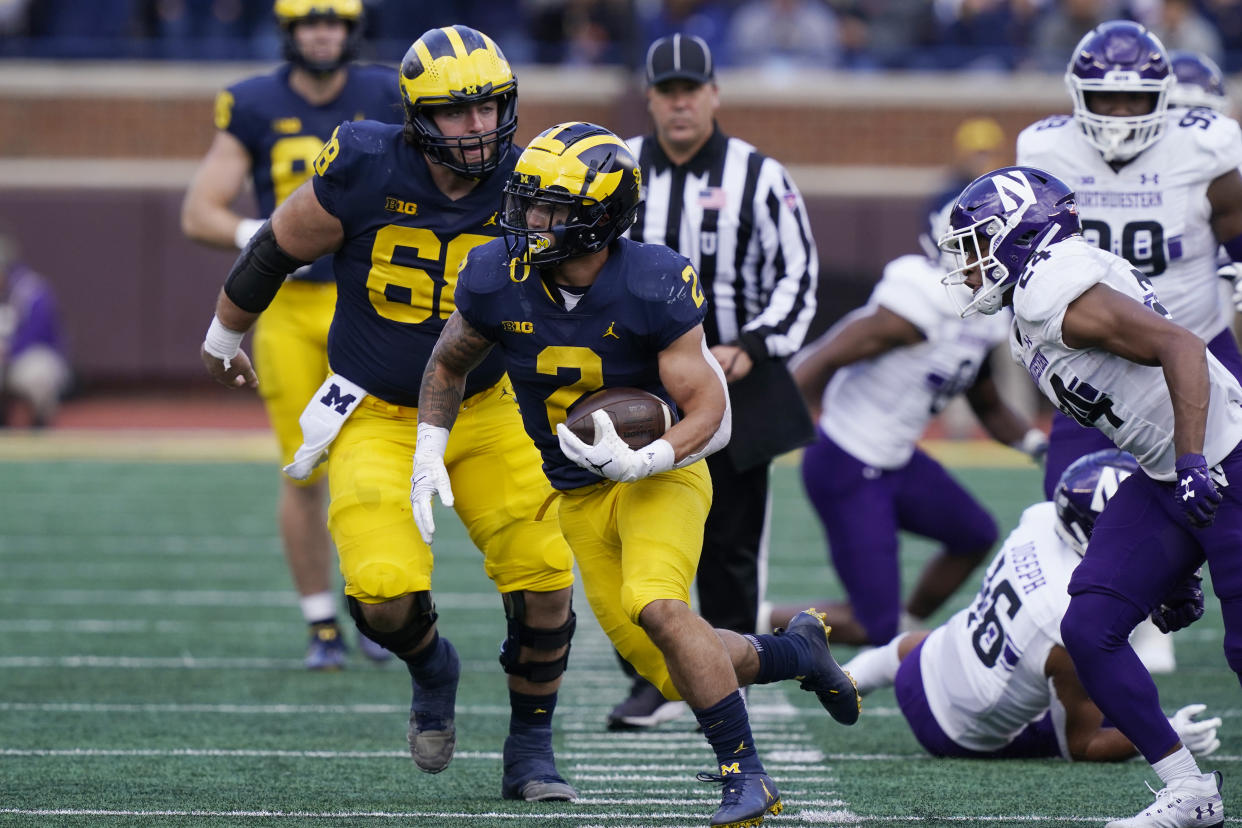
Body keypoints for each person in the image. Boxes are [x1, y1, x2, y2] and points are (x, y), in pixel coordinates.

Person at [412, 121, 861, 828]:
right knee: (670, 667)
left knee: (658, 604)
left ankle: (746, 777)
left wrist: (651, 456)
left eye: (550, 209)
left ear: (599, 218)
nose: (530, 220)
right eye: (527, 202)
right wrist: (428, 444)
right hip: (577, 494)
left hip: (663, 476)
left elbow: (709, 404)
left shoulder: (653, 280)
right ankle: (797, 650)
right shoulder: (496, 276)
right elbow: (447, 362)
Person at [198, 25, 581, 802]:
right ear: (415, 115)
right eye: (456, 112)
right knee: (379, 595)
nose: (478, 128)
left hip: (487, 407)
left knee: (544, 576)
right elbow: (277, 245)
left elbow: (584, 288)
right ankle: (433, 667)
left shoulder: (530, 181)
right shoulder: (368, 164)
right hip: (376, 410)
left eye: (490, 109)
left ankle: (531, 747)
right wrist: (223, 333)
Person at [938, 164, 1242, 827]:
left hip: (1224, 458)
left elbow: (1180, 346)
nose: (967, 265)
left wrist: (1193, 458)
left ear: (1020, 235)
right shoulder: (1036, 300)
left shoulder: (1053, 285)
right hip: (1166, 470)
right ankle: (1189, 792)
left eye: (978, 244)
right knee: (1091, 626)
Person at [181, 0, 402, 670]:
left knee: (372, 457)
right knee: (303, 463)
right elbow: (199, 211)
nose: (322, 32)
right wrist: (261, 237)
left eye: (333, 21)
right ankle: (321, 624)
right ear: (289, 30)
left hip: (366, 302)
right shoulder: (251, 103)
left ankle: (374, 603)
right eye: (309, 22)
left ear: (351, 27)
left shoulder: (387, 92)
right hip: (288, 307)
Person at [612, 32, 820, 728]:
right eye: (666, 91)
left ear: (714, 95)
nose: (678, 103)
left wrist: (751, 346)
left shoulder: (760, 175)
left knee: (731, 546)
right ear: (650, 97)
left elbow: (799, 275)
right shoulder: (617, 171)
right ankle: (654, 678)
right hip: (640, 384)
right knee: (632, 535)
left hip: (735, 377)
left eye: (690, 90)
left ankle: (730, 682)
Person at [765, 205, 1046, 645]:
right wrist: (777, 430)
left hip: (896, 460)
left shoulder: (985, 316)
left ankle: (907, 625)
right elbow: (818, 362)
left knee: (974, 534)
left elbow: (987, 403)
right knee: (868, 625)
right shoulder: (914, 308)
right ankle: (750, 618)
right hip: (847, 463)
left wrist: (1036, 445)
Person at [844, 449, 1224, 764]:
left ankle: (850, 675)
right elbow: (1083, 745)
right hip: (961, 733)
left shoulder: (1040, 519)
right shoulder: (1073, 617)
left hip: (922, 664)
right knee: (1118, 705)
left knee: (937, 641)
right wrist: (1170, 733)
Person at [1016, 20, 1242, 503]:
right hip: (1096, 362)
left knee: (1234, 506)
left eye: (1134, 99)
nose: (1120, 113)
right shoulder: (1046, 150)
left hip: (1200, 345)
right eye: (1105, 98)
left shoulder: (1203, 148)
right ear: (1079, 96)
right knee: (1070, 504)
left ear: (1162, 96)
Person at [0, 228, 70, 428]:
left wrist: (8, 352)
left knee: (36, 372)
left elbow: (37, 334)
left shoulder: (31, 290)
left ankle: (39, 423)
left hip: (27, 359)